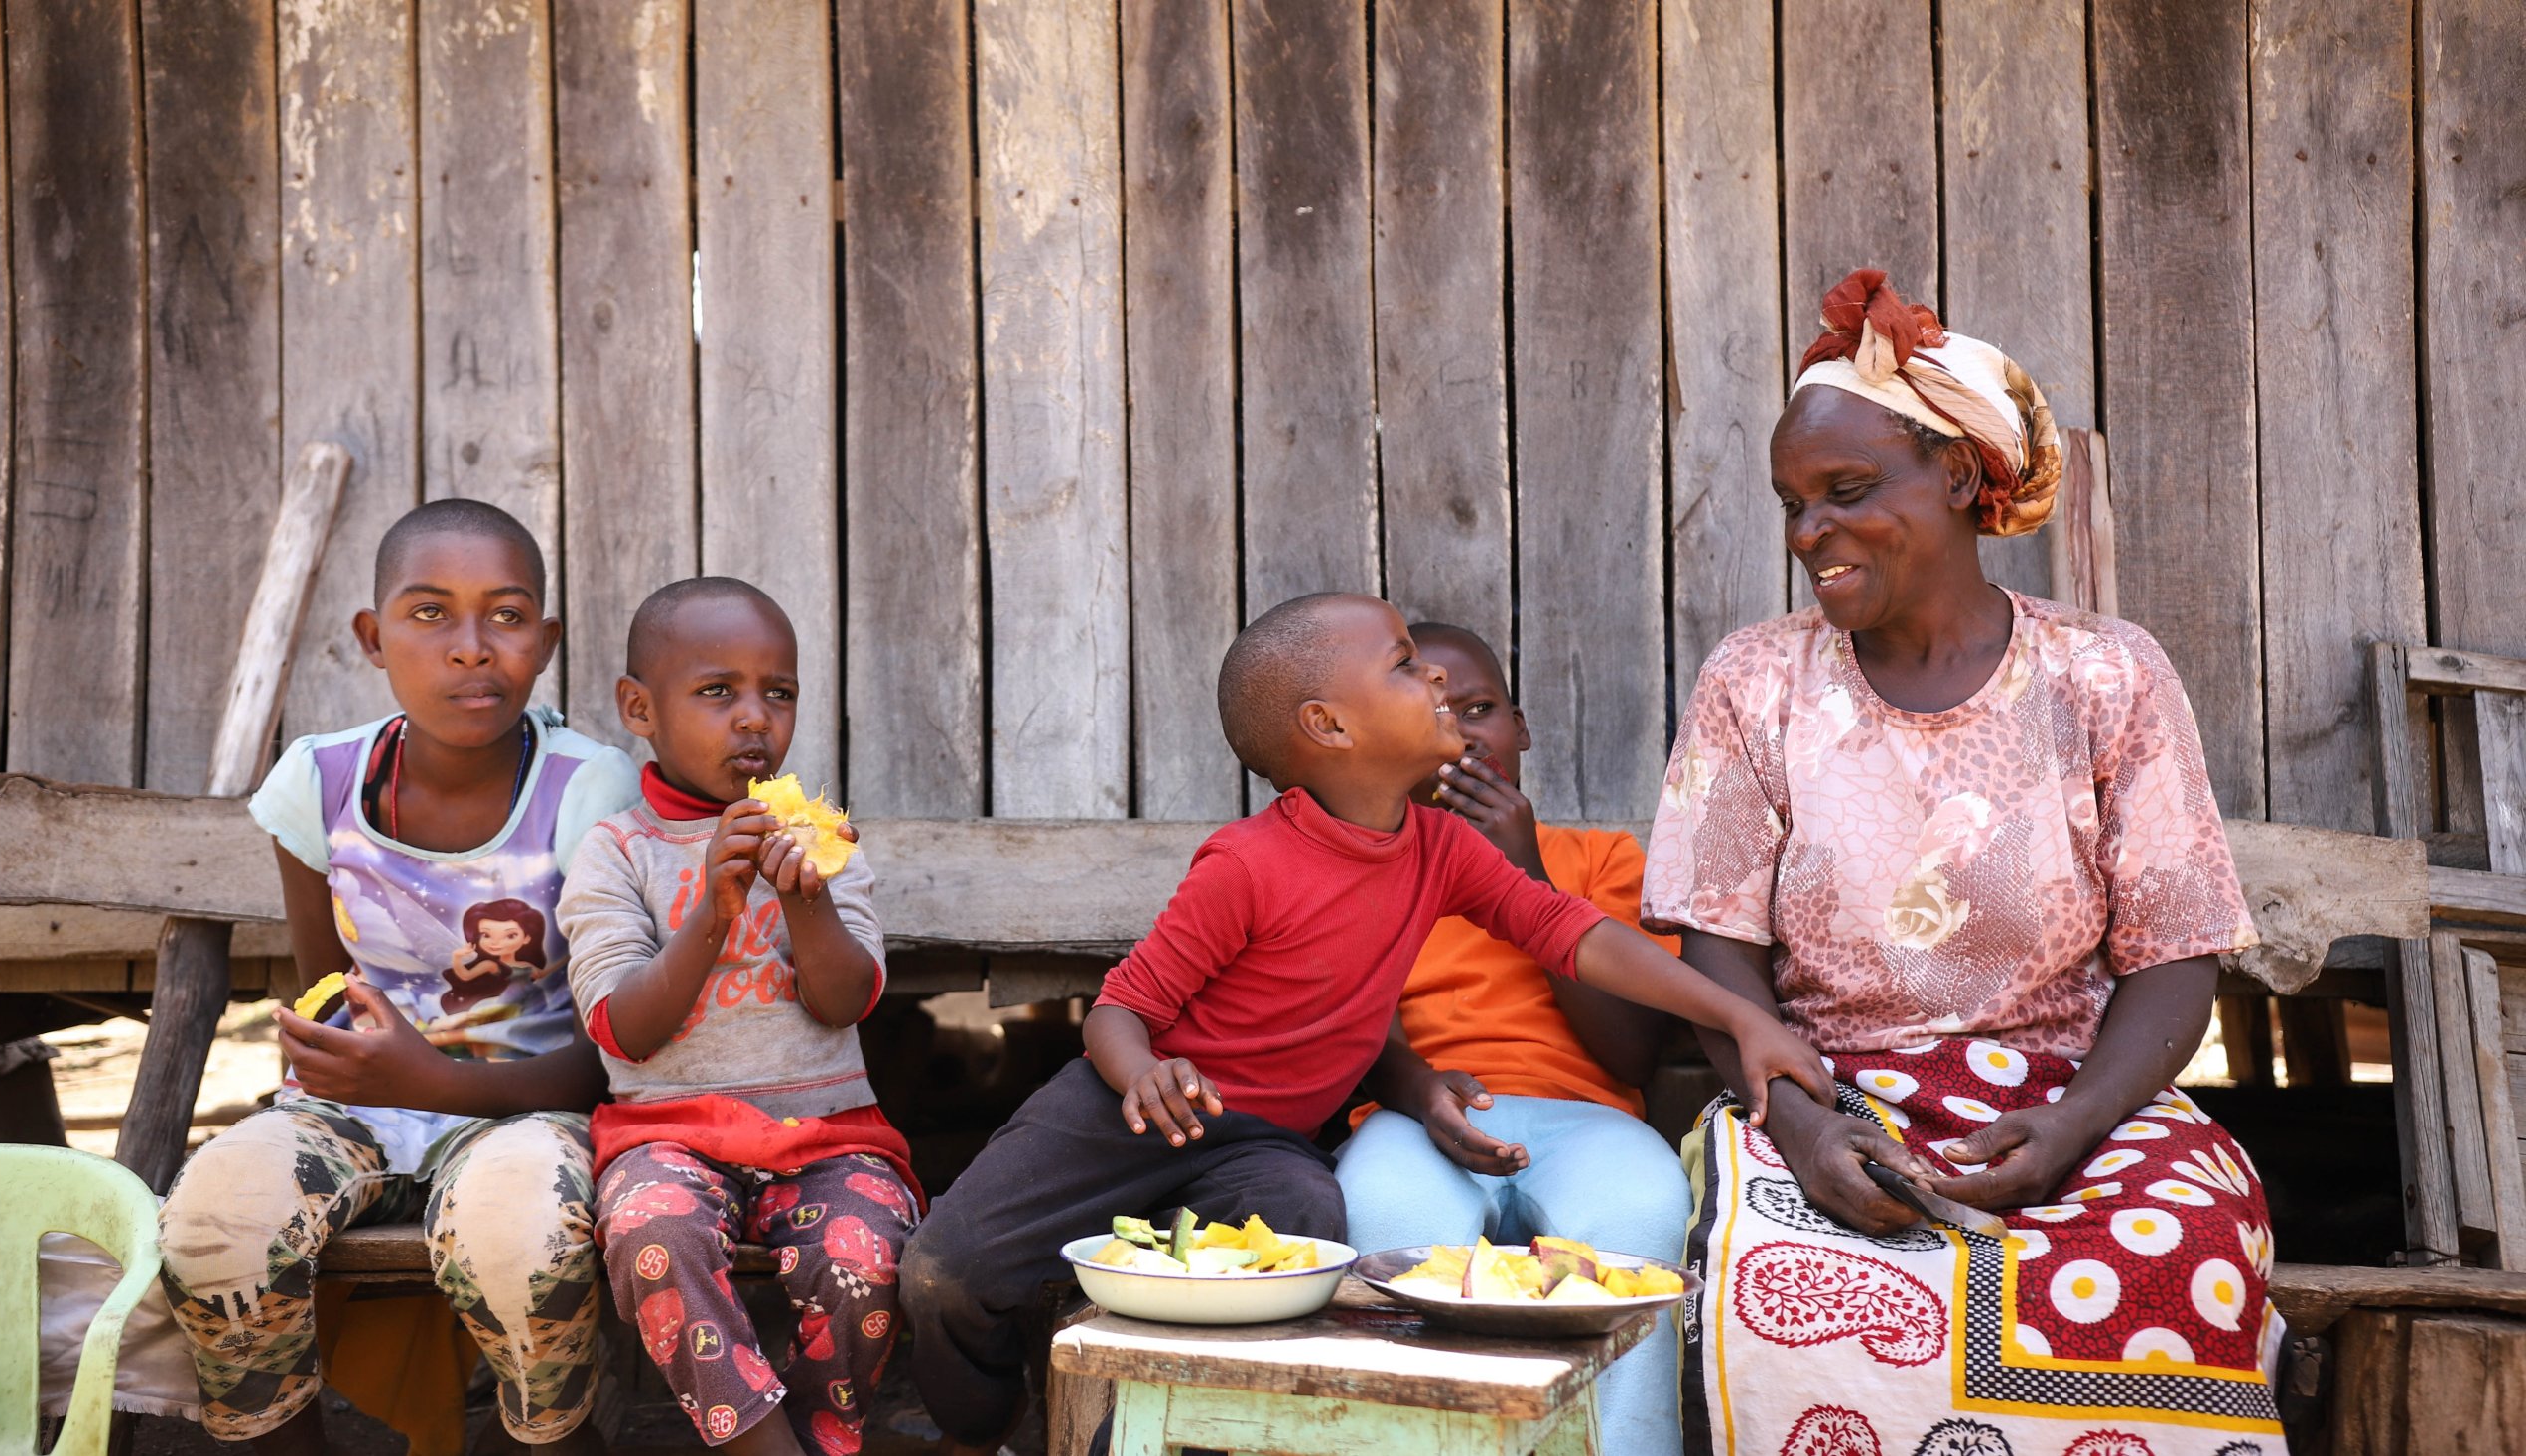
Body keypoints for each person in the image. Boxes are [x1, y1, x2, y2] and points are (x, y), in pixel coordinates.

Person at [899, 592, 1833, 1456]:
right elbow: (1119, 1007)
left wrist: (1735, 1015)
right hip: (1124, 1114)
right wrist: (1141, 1070)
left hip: (1265, 1143)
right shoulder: (1246, 862)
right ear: (1330, 725)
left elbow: (1571, 932)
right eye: (1404, 664)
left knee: (1314, 1235)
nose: (1435, 676)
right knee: (947, 1271)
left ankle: (1151, 1432)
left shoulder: (1440, 849)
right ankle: (983, 1428)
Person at [1651, 269, 2285, 1455]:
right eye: (1792, 503)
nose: (1807, 533)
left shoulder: (2106, 675)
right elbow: (1715, 945)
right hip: (1826, 1097)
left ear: (1954, 476)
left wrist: (2074, 1126)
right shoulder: (1756, 680)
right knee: (1785, 1293)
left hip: (2075, 1099)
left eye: (1845, 492)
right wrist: (1802, 1128)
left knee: (2182, 1255)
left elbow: (2175, 955)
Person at [158, 499, 638, 1454]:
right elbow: (328, 991)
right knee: (214, 1223)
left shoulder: (586, 789)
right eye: (429, 613)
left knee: (521, 1236)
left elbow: (613, 1053)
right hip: (358, 1107)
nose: (471, 646)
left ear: (544, 643)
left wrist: (434, 1081)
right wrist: (344, 1064)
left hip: (529, 1106)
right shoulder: (320, 783)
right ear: (373, 638)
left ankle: (547, 1436)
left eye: (506, 616)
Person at [560, 578, 919, 1456]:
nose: (755, 717)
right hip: (667, 1135)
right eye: (718, 690)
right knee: (654, 1232)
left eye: (778, 692)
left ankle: (822, 1434)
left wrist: (806, 899)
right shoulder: (616, 852)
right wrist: (712, 915)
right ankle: (756, 1442)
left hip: (827, 1134)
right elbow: (621, 1026)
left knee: (866, 1251)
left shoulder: (827, 843)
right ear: (640, 708)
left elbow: (847, 1000)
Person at [1336, 621, 1691, 1455]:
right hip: (1420, 1115)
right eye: (1433, 712)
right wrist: (1424, 1093)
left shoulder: (1600, 857)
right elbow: (1367, 1042)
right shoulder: (1362, 870)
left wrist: (1526, 874)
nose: (1463, 734)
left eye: (1480, 709)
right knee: (1383, 1213)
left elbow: (1629, 1053)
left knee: (1642, 1216)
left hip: (1589, 1118)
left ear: (1521, 727)